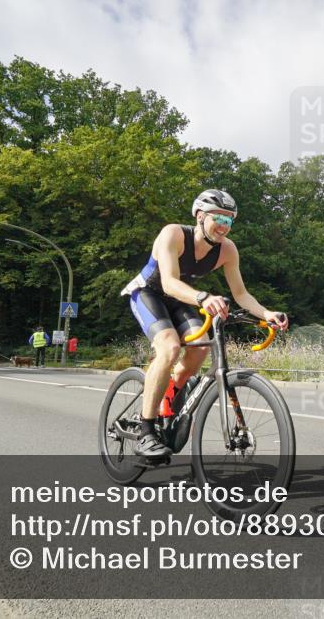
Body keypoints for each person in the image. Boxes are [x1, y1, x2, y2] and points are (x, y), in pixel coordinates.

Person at [121, 189, 289, 458]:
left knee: (201, 348)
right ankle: (146, 431)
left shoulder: (228, 250)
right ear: (200, 216)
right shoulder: (173, 234)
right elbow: (168, 283)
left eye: (229, 220)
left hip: (182, 298)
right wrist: (203, 297)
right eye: (218, 218)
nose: (223, 226)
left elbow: (241, 294)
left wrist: (266, 313)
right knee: (169, 348)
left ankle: (172, 392)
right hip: (149, 293)